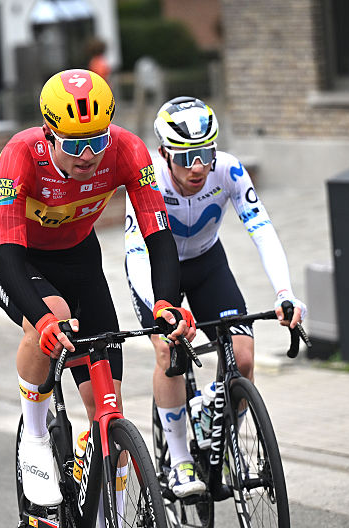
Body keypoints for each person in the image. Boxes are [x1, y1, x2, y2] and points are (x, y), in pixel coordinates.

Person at [0, 68, 195, 512]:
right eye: (75, 145)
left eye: (96, 142)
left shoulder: (128, 149)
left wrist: (166, 303)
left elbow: (158, 236)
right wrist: (41, 320)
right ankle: (35, 438)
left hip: (80, 260)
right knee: (53, 316)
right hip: (16, 259)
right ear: (49, 133)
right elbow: (8, 254)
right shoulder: (20, 153)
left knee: (107, 408)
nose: (89, 156)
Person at [123, 97, 306, 499]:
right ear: (164, 154)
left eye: (205, 154)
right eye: (186, 158)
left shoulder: (229, 170)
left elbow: (262, 230)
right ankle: (178, 460)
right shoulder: (147, 178)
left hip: (208, 263)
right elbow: (137, 254)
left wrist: (284, 292)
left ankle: (216, 425)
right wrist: (162, 308)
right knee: (169, 355)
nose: (198, 168)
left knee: (242, 359)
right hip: (158, 269)